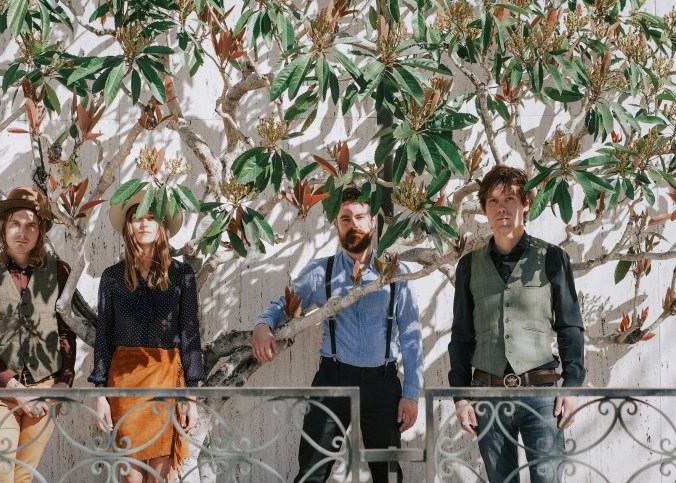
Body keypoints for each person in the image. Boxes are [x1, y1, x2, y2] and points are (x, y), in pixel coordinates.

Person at [251, 185, 423, 483]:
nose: (353, 223)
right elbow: (283, 306)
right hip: (333, 379)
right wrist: (262, 326)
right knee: (312, 471)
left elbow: (411, 336)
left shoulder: (396, 273)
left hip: (383, 385)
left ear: (372, 222)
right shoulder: (321, 272)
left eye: (360, 217)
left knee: (388, 475)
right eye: (345, 218)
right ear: (336, 224)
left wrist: (410, 394)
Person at [448, 165, 586, 483]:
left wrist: (572, 386)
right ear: (484, 209)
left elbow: (570, 326)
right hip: (487, 392)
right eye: (494, 201)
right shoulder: (469, 265)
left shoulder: (552, 258)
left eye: (510, 198)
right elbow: (462, 336)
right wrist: (461, 396)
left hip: (541, 392)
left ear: (525, 203)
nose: (502, 208)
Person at [89, 191, 205, 483]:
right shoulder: (112, 277)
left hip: (165, 381)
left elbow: (190, 335)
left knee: (161, 477)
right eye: (137, 218)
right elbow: (103, 337)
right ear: (128, 226)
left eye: (151, 217)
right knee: (130, 478)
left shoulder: (182, 275)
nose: (143, 224)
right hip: (124, 384)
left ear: (161, 225)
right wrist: (100, 394)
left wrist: (190, 396)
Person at [0, 186, 77, 482]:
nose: (22, 232)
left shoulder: (60, 271)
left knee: (22, 476)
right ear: (3, 227)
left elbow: (66, 333)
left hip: (45, 390)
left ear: (40, 232)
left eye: (31, 225)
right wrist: (15, 388)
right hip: (1, 392)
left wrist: (62, 384)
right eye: (15, 223)